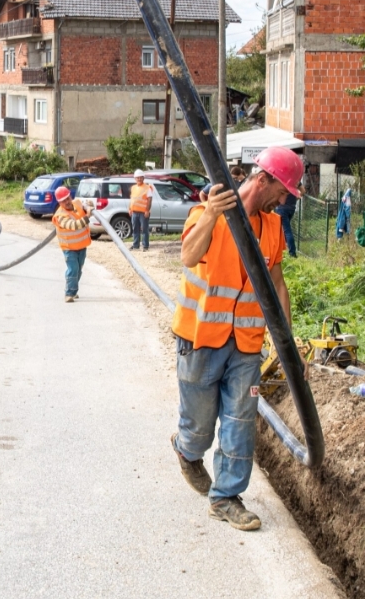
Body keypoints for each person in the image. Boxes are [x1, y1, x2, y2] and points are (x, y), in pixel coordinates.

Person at [170, 146, 303, 531]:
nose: (284, 200)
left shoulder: (273, 228)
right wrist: (211, 214)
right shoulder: (207, 212)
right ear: (263, 180)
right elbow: (188, 257)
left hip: (246, 344)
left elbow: (276, 284)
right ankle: (186, 450)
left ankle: (226, 497)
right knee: (199, 427)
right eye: (284, 191)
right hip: (200, 339)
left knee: (240, 420)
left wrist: (287, 343)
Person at [52, 186, 91, 303]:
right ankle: (69, 293)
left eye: (67, 198)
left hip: (81, 246)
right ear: (59, 202)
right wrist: (88, 216)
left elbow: (87, 203)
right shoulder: (60, 216)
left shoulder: (77, 203)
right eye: (63, 201)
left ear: (70, 196)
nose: (67, 202)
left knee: (79, 270)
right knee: (73, 269)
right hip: (69, 248)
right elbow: (74, 226)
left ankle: (73, 290)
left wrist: (88, 206)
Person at [275, 181, 303, 258]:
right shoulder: (295, 179)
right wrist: (296, 198)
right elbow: (303, 190)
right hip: (292, 208)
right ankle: (285, 248)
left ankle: (292, 253)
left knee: (286, 231)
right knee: (285, 230)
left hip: (282, 208)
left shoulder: (282, 178)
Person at [129, 169, 154, 252]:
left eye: (140, 177)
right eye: (137, 178)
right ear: (135, 179)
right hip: (134, 212)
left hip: (143, 213)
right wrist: (130, 209)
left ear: (143, 178)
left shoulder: (148, 188)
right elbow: (132, 199)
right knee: (135, 229)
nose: (139, 179)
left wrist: (147, 210)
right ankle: (136, 245)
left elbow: (149, 200)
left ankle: (145, 246)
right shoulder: (133, 188)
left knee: (144, 229)